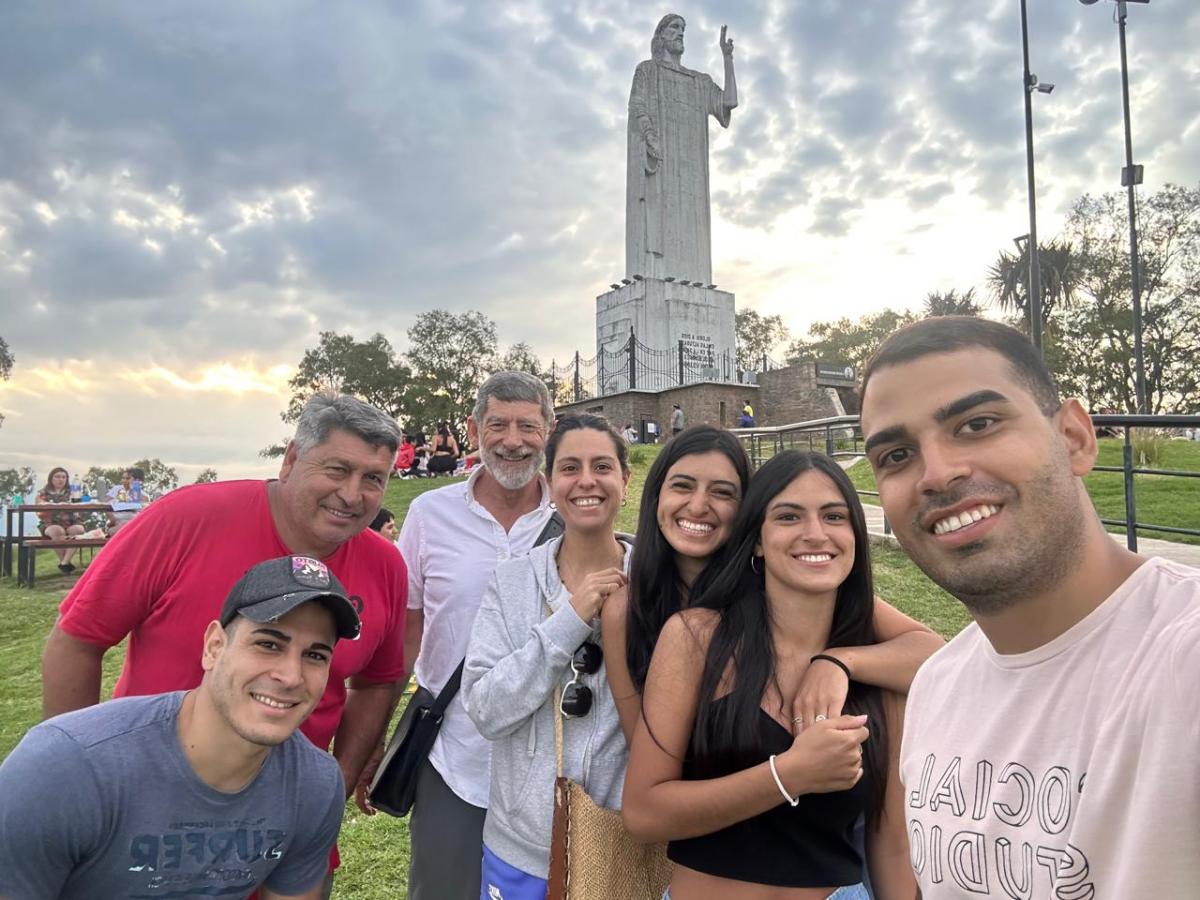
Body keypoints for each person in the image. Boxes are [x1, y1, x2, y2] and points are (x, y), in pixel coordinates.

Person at [858, 316, 1200, 895]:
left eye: (977, 423)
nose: (937, 474)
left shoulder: (1180, 657)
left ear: (1074, 438)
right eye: (895, 455)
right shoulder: (938, 686)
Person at [41, 394, 408, 897]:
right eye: (338, 469)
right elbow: (77, 640)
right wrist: (73, 779)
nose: (352, 494)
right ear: (292, 458)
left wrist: (332, 788)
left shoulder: (385, 565)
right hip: (142, 816)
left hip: (282, 833)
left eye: (373, 479)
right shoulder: (188, 517)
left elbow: (378, 681)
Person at [622, 452, 915, 898]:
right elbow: (644, 813)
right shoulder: (696, 638)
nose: (815, 533)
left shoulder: (881, 670)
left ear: (855, 534)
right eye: (788, 516)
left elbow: (890, 846)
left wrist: (837, 662)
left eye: (834, 516)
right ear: (757, 539)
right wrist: (788, 775)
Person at [1, 555, 361, 899]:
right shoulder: (66, 767)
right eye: (268, 644)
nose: (290, 676)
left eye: (315, 655)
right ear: (214, 646)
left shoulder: (313, 783)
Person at [604, 425, 942, 746]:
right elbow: (645, 758)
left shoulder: (781, 585)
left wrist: (837, 661)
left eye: (722, 492)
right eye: (682, 486)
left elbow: (932, 652)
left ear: (747, 511)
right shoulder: (627, 609)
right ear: (655, 495)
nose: (698, 505)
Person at [397, 372, 557, 900]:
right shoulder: (428, 514)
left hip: (554, 760)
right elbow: (408, 627)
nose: (513, 440)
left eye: (528, 426)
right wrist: (376, 734)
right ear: (473, 430)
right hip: (455, 754)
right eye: (498, 425)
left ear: (549, 430)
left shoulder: (574, 514)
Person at [464, 413, 633, 895]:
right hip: (521, 849)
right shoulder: (511, 581)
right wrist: (570, 618)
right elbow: (485, 709)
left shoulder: (659, 582)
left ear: (625, 479)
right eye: (569, 467)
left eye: (602, 467)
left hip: (623, 844)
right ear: (551, 480)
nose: (586, 481)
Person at [626, 15, 737, 284]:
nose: (680, 33)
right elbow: (637, 105)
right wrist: (650, 134)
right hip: (662, 165)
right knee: (658, 227)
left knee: (693, 232)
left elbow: (729, 102)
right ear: (660, 35)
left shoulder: (699, 81)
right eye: (674, 28)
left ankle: (692, 276)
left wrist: (727, 59)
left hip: (692, 178)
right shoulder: (647, 71)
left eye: (683, 29)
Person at [35, 466, 85, 573]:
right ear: (51, 479)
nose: (60, 479)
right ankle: (65, 562)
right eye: (57, 477)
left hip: (71, 521)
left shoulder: (74, 492)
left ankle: (64, 563)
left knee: (78, 530)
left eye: (63, 477)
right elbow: (39, 513)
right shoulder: (42, 494)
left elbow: (80, 508)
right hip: (50, 523)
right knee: (57, 531)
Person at [106, 466, 146, 534]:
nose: (124, 481)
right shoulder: (118, 490)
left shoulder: (142, 495)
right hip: (117, 522)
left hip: (133, 523)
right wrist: (112, 520)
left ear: (137, 480)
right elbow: (105, 504)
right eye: (123, 478)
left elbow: (143, 509)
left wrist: (133, 488)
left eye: (128, 478)